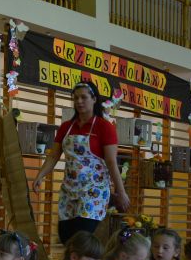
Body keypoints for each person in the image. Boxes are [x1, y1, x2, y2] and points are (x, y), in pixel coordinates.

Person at [31, 81, 129, 244]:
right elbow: (53, 156)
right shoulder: (66, 127)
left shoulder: (104, 127)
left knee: (82, 239)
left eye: (84, 97)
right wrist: (40, 175)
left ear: (94, 99)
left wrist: (121, 191)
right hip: (69, 190)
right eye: (76, 98)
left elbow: (111, 162)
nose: (79, 101)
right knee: (65, 237)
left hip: (93, 192)